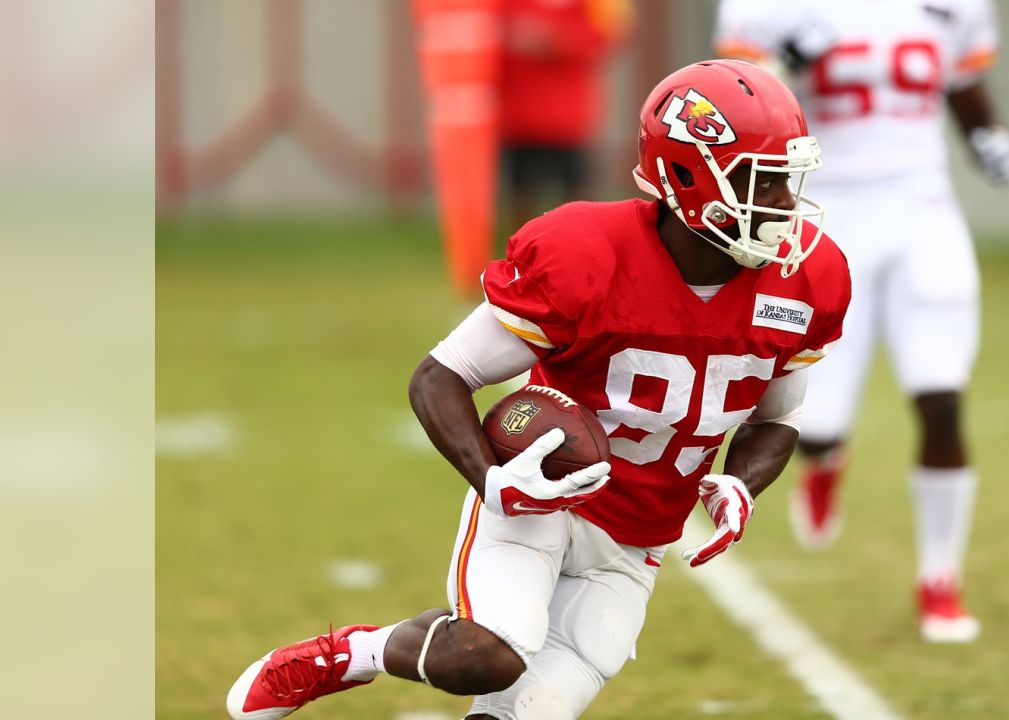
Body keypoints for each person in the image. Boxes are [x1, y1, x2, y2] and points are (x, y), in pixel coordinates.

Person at [225, 59, 850, 720]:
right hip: (541, 500)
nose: (783, 202)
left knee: (521, 714)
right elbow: (441, 376)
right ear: (687, 176)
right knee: (483, 657)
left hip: (636, 544)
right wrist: (495, 482)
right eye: (763, 180)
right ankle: (346, 656)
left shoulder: (809, 277)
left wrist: (741, 484)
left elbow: (779, 418)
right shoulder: (587, 254)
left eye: (788, 178)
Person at [715, 0, 1009, 644]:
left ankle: (940, 578)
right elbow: (725, 104)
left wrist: (985, 134)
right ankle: (827, 459)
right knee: (816, 426)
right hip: (829, 213)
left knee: (941, 396)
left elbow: (961, 81)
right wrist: (783, 60)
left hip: (922, 205)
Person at [499, 0, 633, 228]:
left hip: (570, 120)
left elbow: (613, 33)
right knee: (522, 195)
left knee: (576, 200)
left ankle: (576, 250)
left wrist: (556, 41)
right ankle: (521, 254)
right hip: (519, 118)